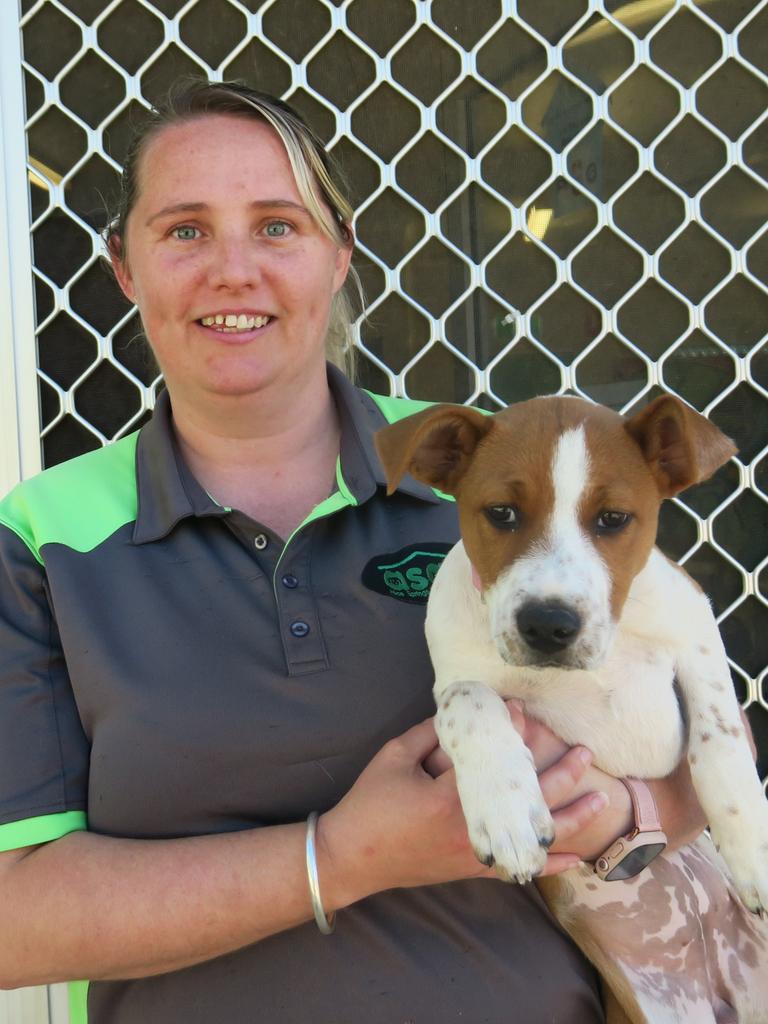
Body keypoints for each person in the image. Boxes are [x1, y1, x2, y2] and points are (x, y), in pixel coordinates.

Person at [0, 80, 706, 1023]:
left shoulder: (492, 471)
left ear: (340, 257)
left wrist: (620, 821)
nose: (233, 270)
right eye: (183, 230)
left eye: (278, 226)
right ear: (124, 269)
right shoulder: (45, 534)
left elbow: (686, 737)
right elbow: (15, 920)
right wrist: (334, 860)